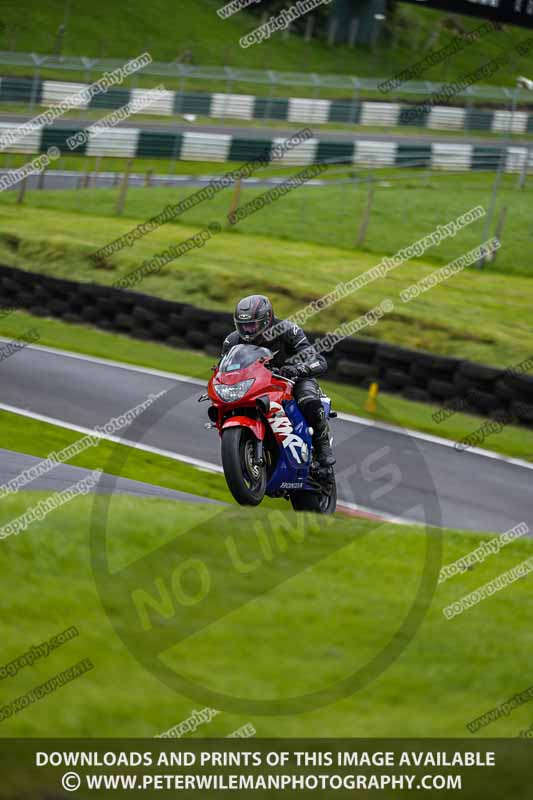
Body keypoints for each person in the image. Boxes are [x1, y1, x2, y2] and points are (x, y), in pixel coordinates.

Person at [221, 295, 335, 467]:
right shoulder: (232, 340)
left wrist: (298, 369)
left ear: (266, 320)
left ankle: (322, 446)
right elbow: (223, 368)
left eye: (252, 325)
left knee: (308, 400)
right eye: (243, 326)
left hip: (293, 379)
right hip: (258, 383)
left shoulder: (288, 330)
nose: (247, 331)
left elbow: (317, 360)